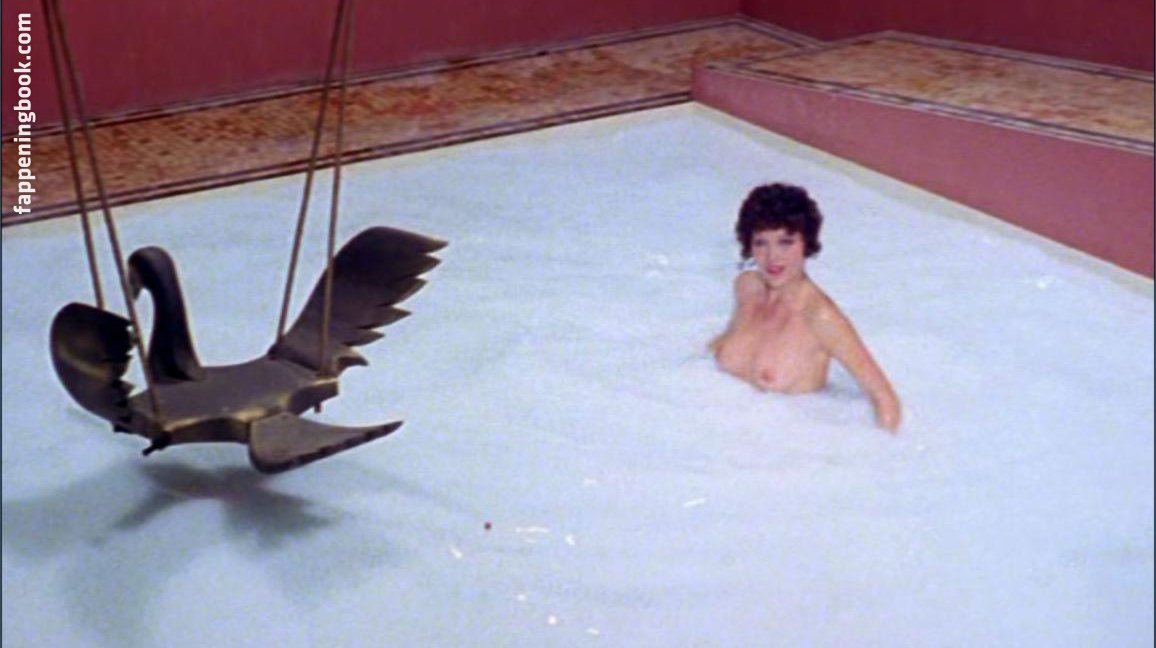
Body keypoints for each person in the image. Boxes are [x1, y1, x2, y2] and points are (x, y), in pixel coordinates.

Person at [708, 183, 902, 432]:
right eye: (761, 243)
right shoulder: (747, 287)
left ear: (806, 243)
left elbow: (885, 400)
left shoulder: (820, 318)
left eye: (785, 242)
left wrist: (880, 450)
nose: (772, 257)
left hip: (787, 442)